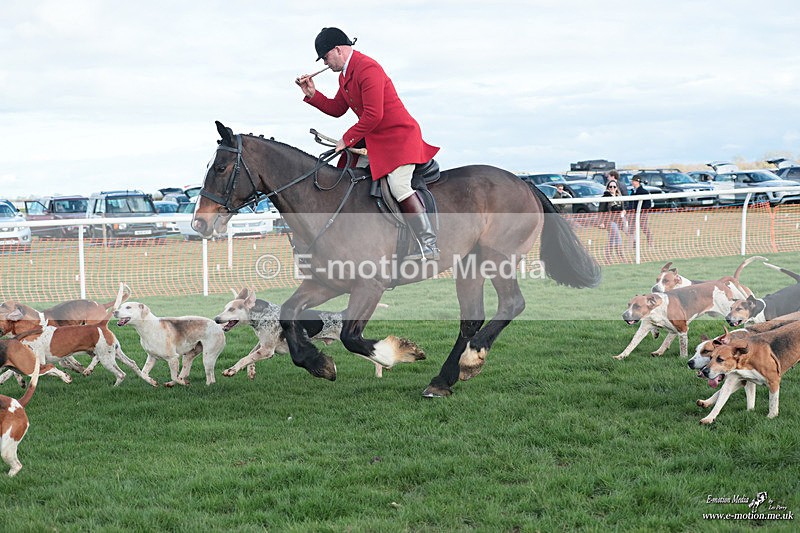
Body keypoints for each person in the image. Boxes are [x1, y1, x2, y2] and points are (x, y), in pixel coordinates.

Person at [295, 27, 440, 260]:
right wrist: (313, 94)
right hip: (375, 141)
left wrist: (347, 138)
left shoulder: (367, 68)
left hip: (399, 139)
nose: (325, 62)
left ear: (337, 50)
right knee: (348, 180)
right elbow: (337, 109)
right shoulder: (345, 75)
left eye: (325, 57)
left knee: (398, 185)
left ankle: (428, 244)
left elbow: (374, 115)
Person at [598, 180, 626, 262]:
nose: (612, 188)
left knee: (611, 239)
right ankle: (621, 256)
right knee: (618, 238)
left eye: (614, 186)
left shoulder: (619, 197)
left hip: (618, 221)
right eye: (610, 187)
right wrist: (601, 222)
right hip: (609, 221)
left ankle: (608, 258)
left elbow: (623, 209)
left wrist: (623, 212)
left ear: (617, 188)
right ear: (608, 188)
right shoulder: (605, 197)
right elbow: (601, 210)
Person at [627, 175, 653, 246]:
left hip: (642, 213)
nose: (632, 182)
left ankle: (650, 241)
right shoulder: (632, 192)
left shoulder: (644, 192)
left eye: (633, 181)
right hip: (633, 214)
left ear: (637, 182)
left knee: (644, 227)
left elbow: (648, 204)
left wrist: (642, 211)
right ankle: (632, 244)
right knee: (631, 229)